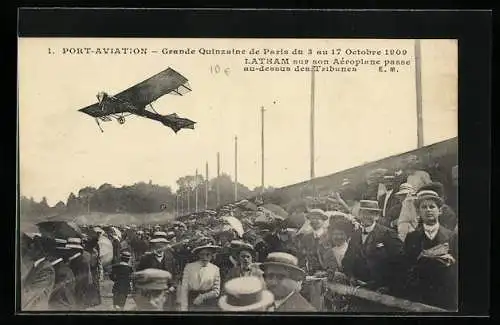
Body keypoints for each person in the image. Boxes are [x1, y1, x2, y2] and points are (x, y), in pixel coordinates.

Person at [403, 190, 457, 310]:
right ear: (418, 212)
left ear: (440, 211)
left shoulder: (451, 236)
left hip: (445, 294)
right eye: (424, 207)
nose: (428, 210)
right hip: (420, 293)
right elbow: (407, 265)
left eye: (432, 207)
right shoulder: (412, 237)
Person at [342, 200, 406, 294]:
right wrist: (351, 276)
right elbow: (347, 259)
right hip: (359, 288)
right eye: (364, 213)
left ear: (376, 216)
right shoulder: (355, 235)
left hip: (381, 289)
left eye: (371, 213)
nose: (366, 216)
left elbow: (400, 262)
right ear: (359, 214)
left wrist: (389, 286)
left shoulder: (387, 233)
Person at [179, 242, 222, 311]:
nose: (204, 257)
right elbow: (184, 289)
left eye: (208, 254)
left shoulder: (215, 269)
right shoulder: (189, 267)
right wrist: (184, 308)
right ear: (198, 255)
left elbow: (216, 291)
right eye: (202, 254)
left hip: (208, 302)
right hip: (192, 301)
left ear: (212, 255)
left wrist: (202, 297)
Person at [20, 234, 56, 311]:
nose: (29, 250)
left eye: (32, 247)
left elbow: (31, 293)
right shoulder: (37, 265)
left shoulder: (46, 270)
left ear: (40, 251)